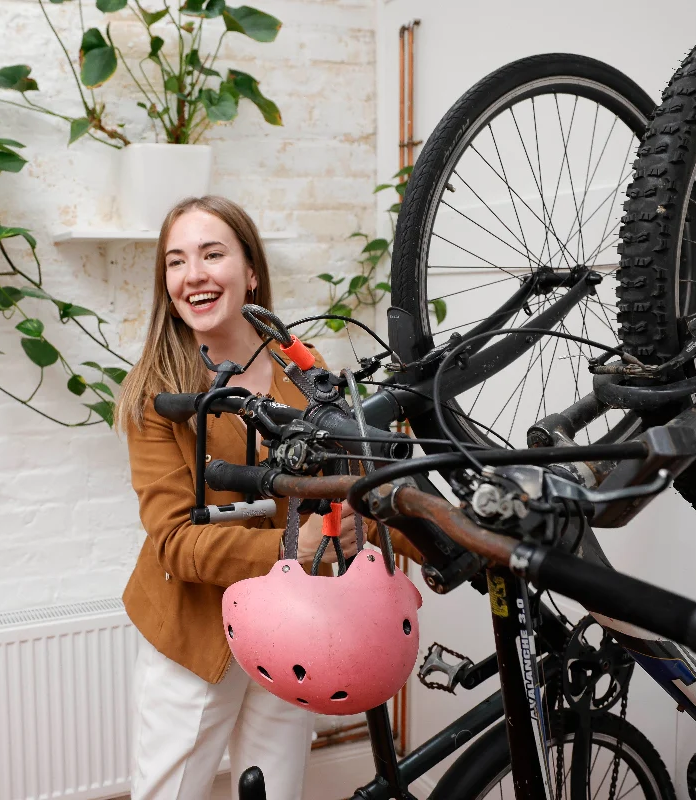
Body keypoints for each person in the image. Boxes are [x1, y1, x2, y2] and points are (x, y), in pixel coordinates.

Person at [114, 195, 421, 800]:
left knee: (276, 791)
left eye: (212, 254)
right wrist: (298, 547)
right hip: (197, 637)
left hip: (298, 626)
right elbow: (174, 542)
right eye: (176, 262)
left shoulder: (300, 366)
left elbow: (358, 481)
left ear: (250, 270)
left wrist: (426, 542)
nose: (193, 274)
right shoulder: (156, 391)